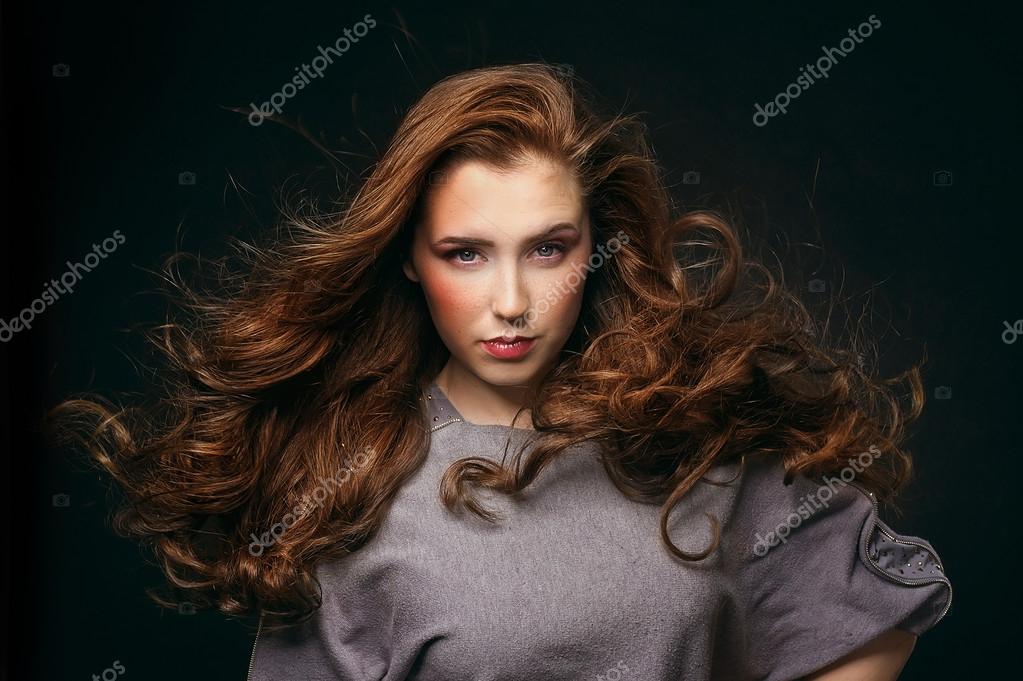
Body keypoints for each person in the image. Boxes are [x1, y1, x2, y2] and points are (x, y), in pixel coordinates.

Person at [50, 63, 952, 680]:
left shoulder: (697, 443)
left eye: (550, 248)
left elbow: (872, 600)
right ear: (409, 257)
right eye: (466, 253)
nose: (513, 300)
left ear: (598, 245)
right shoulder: (342, 487)